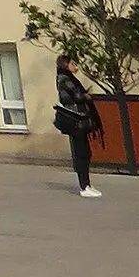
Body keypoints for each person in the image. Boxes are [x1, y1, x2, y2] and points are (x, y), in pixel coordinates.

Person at [53, 57, 103, 197]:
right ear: (66, 65)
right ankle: (84, 186)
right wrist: (86, 96)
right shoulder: (65, 79)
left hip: (78, 120)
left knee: (84, 152)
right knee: (81, 152)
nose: (76, 67)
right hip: (76, 121)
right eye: (73, 64)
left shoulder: (67, 78)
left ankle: (87, 184)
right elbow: (75, 97)